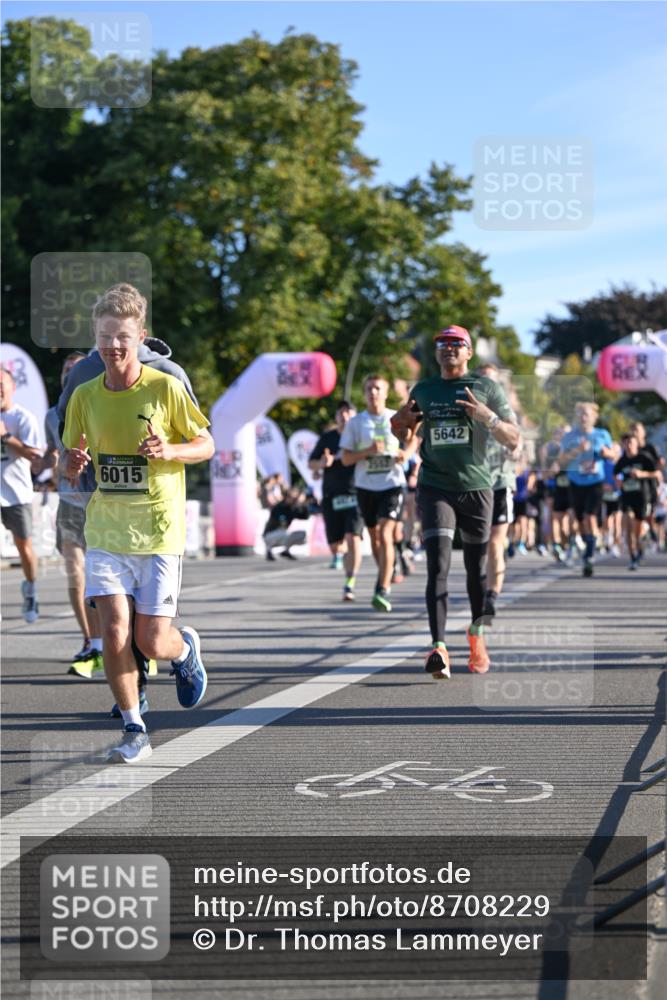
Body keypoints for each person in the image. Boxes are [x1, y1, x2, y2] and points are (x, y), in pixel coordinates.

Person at [63, 283, 215, 764]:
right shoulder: (84, 394)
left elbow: (207, 444)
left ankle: (185, 648)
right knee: (112, 631)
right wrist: (70, 464)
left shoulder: (165, 386)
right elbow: (67, 461)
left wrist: (170, 449)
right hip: (107, 530)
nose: (113, 346)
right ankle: (134, 728)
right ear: (96, 337)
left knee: (152, 640)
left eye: (123, 337)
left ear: (141, 337)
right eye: (106, 336)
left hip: (158, 529)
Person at [391, 325, 519, 677]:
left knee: (476, 573)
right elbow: (404, 429)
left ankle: (476, 636)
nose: (448, 348)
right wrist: (397, 423)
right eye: (442, 343)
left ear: (468, 352)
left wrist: (487, 417)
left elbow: (513, 437)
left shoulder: (486, 387)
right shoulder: (425, 389)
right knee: (438, 566)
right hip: (435, 486)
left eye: (455, 344)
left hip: (478, 489)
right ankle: (439, 648)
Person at [40, 352, 107, 676]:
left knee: (102, 577)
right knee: (75, 572)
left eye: (76, 367)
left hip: (100, 500)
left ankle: (119, 643)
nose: (71, 372)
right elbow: (53, 454)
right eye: (66, 369)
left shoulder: (100, 402)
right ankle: (92, 642)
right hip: (69, 502)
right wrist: (47, 464)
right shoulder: (52, 415)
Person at [340, 374, 408, 612]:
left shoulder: (395, 418)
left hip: (392, 484)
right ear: (364, 392)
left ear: (386, 393)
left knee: (385, 532)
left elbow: (414, 439)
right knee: (374, 537)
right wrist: (367, 452)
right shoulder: (356, 423)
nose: (373, 392)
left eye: (378, 388)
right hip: (366, 486)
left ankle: (382, 587)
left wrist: (405, 454)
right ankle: (386, 573)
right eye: (369, 388)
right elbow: (346, 459)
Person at [474, 363, 522, 621]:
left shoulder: (504, 411)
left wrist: (514, 450)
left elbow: (517, 441)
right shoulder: (469, 409)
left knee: (494, 541)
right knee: (478, 543)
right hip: (473, 484)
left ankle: (491, 596)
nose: (488, 386)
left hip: (500, 482)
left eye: (492, 381)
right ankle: (482, 581)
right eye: (483, 381)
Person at [309, 401, 364, 600]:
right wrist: (322, 463)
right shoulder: (327, 438)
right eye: (340, 413)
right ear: (336, 417)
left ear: (355, 415)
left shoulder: (360, 435)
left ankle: (350, 582)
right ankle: (339, 555)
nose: (344, 416)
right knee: (335, 545)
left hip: (356, 493)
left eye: (348, 412)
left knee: (353, 537)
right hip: (332, 495)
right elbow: (311, 463)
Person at [1, 366, 43, 622]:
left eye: (1, 384)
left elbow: (35, 456)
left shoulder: (23, 418)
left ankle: (31, 588)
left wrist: (5, 436)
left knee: (24, 548)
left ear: (12, 388)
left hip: (16, 494)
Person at [558, 402, 615, 577]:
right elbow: (561, 461)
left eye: (587, 414)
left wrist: (606, 453)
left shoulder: (602, 434)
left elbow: (613, 455)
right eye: (580, 414)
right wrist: (577, 450)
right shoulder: (569, 437)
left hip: (595, 482)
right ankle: (588, 544)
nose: (583, 417)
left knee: (591, 517)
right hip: (576, 482)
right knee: (580, 520)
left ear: (594, 417)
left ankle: (589, 556)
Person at [613, 432, 659, 570]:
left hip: (642, 497)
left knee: (637, 531)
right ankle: (632, 557)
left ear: (636, 444)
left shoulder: (644, 458)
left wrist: (642, 474)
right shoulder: (622, 461)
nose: (628, 446)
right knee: (627, 526)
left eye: (631, 443)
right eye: (626, 443)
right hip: (627, 497)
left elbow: (657, 473)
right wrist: (618, 482)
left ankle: (640, 549)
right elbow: (615, 475)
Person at [263, 486, 311, 560]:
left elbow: (305, 517)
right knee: (284, 533)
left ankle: (286, 551)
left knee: (302, 535)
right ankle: (268, 550)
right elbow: (281, 522)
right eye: (293, 498)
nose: (294, 500)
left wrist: (302, 505)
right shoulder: (279, 507)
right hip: (270, 534)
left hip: (282, 534)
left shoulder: (293, 508)